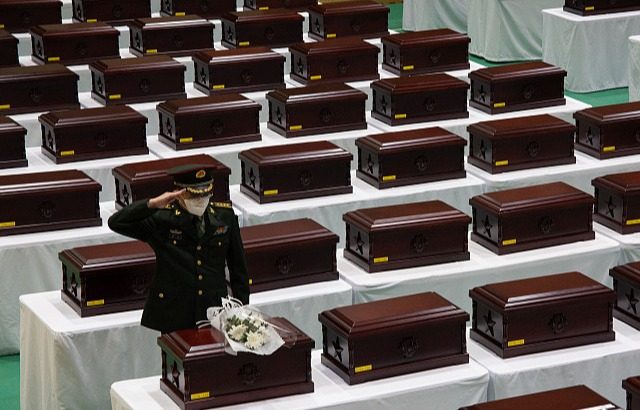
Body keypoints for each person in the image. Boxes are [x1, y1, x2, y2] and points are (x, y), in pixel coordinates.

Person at [108, 164, 249, 333]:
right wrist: (152, 204)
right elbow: (116, 223)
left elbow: (238, 267)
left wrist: (241, 309)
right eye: (194, 195)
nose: (200, 200)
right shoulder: (162, 220)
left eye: (205, 194)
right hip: (175, 311)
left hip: (214, 309)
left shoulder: (225, 216)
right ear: (178, 193)